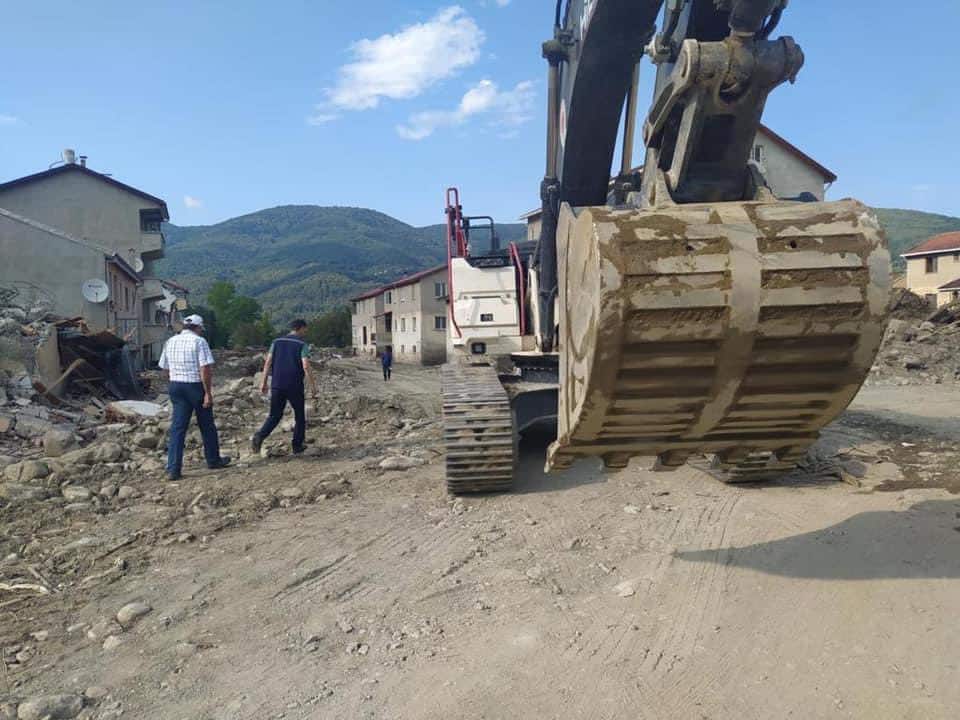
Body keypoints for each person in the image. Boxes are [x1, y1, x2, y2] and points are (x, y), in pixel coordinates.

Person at [158, 314, 231, 480]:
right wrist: (208, 393)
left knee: (178, 428)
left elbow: (164, 367)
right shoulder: (199, 342)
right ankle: (213, 460)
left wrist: (174, 378)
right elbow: (205, 369)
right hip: (194, 386)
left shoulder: (170, 341)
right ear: (198, 328)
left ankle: (173, 469)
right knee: (207, 425)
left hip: (176, 385)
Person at [251, 319, 318, 455]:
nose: (306, 332)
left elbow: (268, 362)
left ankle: (259, 436)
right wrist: (313, 386)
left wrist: (263, 382)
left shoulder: (276, 342)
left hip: (277, 384)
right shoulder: (302, 344)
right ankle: (297, 445)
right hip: (294, 385)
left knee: (274, 415)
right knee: (299, 416)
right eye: (305, 329)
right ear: (300, 328)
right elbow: (305, 365)